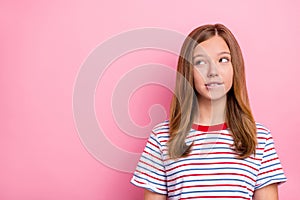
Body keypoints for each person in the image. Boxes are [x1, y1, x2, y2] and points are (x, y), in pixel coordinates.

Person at [130, 24, 286, 200]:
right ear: (188, 71)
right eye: (201, 62)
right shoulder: (162, 137)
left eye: (223, 60)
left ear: (236, 68)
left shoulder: (259, 138)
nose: (213, 72)